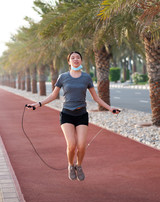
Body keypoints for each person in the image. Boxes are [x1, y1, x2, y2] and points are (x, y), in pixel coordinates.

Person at [27, 51, 119, 181]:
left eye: (78, 58)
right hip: (67, 114)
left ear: (81, 61)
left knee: (81, 145)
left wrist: (110, 108)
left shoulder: (86, 77)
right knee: (71, 144)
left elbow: (96, 97)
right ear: (69, 62)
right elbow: (54, 95)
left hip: (81, 114)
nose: (76, 59)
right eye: (73, 58)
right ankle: (71, 165)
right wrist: (38, 104)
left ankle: (79, 165)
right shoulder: (63, 77)